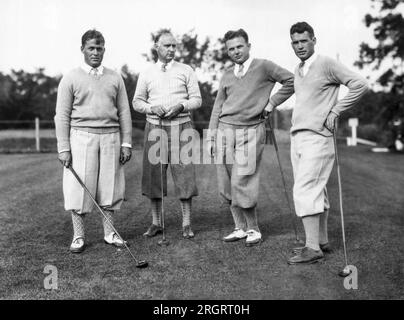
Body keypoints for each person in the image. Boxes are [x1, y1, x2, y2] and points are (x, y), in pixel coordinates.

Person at [287, 22, 368, 264]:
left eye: (304, 41)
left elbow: (360, 84)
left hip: (319, 137)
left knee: (305, 189)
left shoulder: (326, 63)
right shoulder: (298, 69)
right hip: (298, 137)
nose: (300, 46)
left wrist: (336, 110)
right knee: (315, 189)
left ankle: (312, 248)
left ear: (314, 40)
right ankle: (320, 240)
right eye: (295, 42)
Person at [207, 29, 294, 246]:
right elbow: (218, 107)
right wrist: (211, 137)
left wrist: (271, 103)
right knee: (226, 183)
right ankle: (240, 227)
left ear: (248, 46)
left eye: (239, 46)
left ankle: (254, 228)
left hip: (251, 130)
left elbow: (291, 81)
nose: (236, 51)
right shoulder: (227, 74)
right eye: (231, 49)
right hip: (224, 130)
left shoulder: (264, 66)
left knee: (241, 179)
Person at [54, 29, 133, 253]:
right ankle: (78, 236)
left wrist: (126, 143)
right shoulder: (70, 78)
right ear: (82, 50)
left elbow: (124, 112)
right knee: (79, 189)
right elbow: (61, 115)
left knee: (110, 187)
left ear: (104, 50)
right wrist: (64, 148)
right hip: (81, 137)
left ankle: (109, 233)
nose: (96, 53)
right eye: (91, 48)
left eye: (99, 48)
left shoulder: (115, 77)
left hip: (111, 137)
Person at [133, 30, 202, 239]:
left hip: (182, 127)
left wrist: (182, 105)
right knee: (154, 176)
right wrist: (152, 108)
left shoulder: (186, 70)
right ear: (157, 46)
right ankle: (156, 223)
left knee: (185, 175)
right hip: (155, 128)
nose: (171, 49)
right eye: (167, 46)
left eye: (174, 46)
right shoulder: (146, 73)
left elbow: (197, 100)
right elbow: (137, 102)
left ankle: (187, 223)